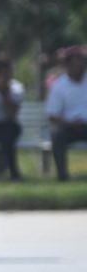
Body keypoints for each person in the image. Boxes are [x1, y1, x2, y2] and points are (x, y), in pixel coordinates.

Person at [48, 47, 87, 180]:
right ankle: (63, 176)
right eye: (75, 64)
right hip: (69, 127)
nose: (79, 67)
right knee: (57, 135)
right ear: (68, 66)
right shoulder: (60, 85)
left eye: (81, 63)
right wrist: (70, 123)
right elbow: (52, 114)